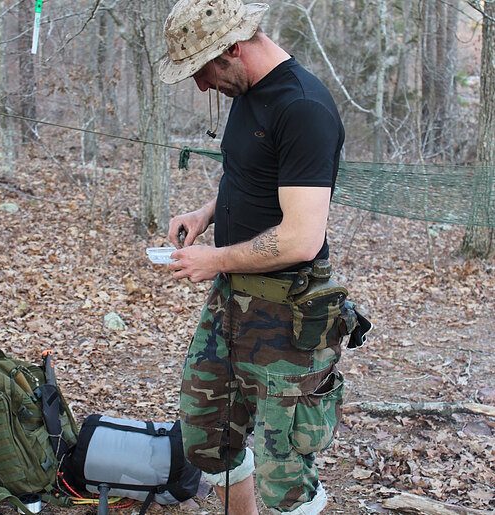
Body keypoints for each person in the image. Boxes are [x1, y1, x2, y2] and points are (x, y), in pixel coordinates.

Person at [159, 1, 354, 513]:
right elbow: (249, 177)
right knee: (206, 438)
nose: (201, 85)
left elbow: (301, 238)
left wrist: (216, 259)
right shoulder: (246, 92)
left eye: (203, 70)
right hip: (230, 302)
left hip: (288, 315)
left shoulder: (304, 109)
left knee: (283, 473)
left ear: (232, 48)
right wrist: (206, 214)